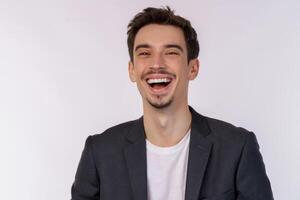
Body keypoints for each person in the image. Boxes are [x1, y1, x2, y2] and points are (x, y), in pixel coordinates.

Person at [71, 6, 273, 200]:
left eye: (171, 52)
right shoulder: (99, 153)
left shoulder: (237, 148)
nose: (157, 64)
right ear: (132, 70)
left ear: (192, 68)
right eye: (144, 53)